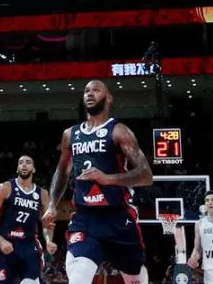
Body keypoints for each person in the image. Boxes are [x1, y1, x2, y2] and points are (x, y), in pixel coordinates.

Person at [43, 80, 154, 284]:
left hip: (118, 218)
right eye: (86, 90)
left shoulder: (119, 131)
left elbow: (146, 175)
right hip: (85, 219)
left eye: (96, 90)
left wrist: (107, 178)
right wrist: (52, 205)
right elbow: (62, 171)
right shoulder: (70, 134)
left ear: (109, 98)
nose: (90, 93)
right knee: (78, 278)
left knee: (136, 279)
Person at [0, 155, 58, 284]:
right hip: (7, 245)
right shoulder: (5, 188)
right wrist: (1, 241)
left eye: (28, 162)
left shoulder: (42, 194)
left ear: (33, 169)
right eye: (20, 162)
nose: (24, 165)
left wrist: (49, 241)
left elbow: (46, 224)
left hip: (29, 246)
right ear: (17, 169)